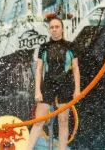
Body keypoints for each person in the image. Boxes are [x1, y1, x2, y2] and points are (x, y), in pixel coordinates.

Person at [25, 16, 80, 150]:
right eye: (52, 27)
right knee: (39, 121)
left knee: (63, 121)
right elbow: (39, 69)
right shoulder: (44, 47)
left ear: (62, 29)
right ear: (49, 30)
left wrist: (77, 90)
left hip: (65, 85)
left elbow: (76, 69)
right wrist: (37, 90)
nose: (54, 30)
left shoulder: (70, 46)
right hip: (48, 84)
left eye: (57, 27)